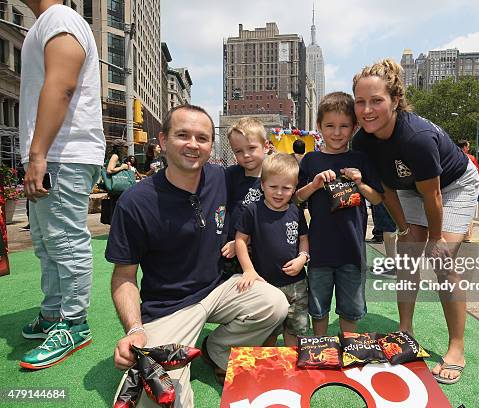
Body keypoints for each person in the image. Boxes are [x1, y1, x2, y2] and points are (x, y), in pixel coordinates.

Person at [106, 104, 288, 406]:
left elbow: (271, 170)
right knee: (161, 398)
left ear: (210, 146)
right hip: (170, 307)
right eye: (182, 135)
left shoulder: (221, 177)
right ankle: (177, 360)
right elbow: (123, 277)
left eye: (202, 138)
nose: (193, 144)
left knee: (274, 303)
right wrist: (135, 330)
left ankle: (216, 349)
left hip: (218, 289)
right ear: (163, 141)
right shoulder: (135, 202)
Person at [352, 59, 479, 385]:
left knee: (443, 262)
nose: (367, 110)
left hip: (452, 185)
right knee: (408, 255)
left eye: (376, 101)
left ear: (395, 100)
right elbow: (388, 189)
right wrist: (407, 230)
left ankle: (456, 347)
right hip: (409, 188)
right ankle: (405, 329)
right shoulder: (363, 140)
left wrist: (436, 238)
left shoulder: (416, 138)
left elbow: (434, 196)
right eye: (360, 101)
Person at [18, 0, 105, 369]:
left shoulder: (60, 18)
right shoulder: (46, 23)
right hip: (52, 152)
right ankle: (54, 314)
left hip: (63, 152)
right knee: (45, 241)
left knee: (65, 241)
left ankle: (74, 324)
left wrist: (38, 153)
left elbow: (62, 85)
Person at [296, 92, 383, 336]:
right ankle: (321, 347)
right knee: (318, 308)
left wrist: (360, 182)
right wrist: (313, 184)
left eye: (344, 126)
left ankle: (350, 349)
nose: (337, 132)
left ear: (355, 127)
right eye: (330, 126)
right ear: (319, 127)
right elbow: (296, 198)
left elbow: (377, 198)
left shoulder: (360, 159)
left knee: (350, 309)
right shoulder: (311, 160)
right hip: (320, 250)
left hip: (352, 251)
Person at [235, 153, 309, 347]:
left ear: (294, 188)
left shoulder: (296, 211)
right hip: (266, 285)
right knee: (268, 333)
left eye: (286, 188)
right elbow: (240, 241)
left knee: (295, 332)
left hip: (297, 284)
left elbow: (303, 239)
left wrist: (303, 257)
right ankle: (269, 372)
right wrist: (248, 270)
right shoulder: (252, 210)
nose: (279, 193)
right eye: (273, 187)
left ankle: (293, 372)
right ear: (262, 185)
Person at [221, 117, 269, 276]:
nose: (246, 155)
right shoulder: (231, 175)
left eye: (251, 148)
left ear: (266, 146)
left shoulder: (274, 178)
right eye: (239, 151)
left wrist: (243, 242)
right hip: (231, 250)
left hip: (261, 249)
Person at [457, 140, 479, 242]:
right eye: (468, 146)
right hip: (469, 187)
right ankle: (466, 236)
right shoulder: (471, 158)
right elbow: (477, 171)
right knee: (468, 210)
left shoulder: (453, 155)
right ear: (465, 147)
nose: (469, 148)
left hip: (455, 185)